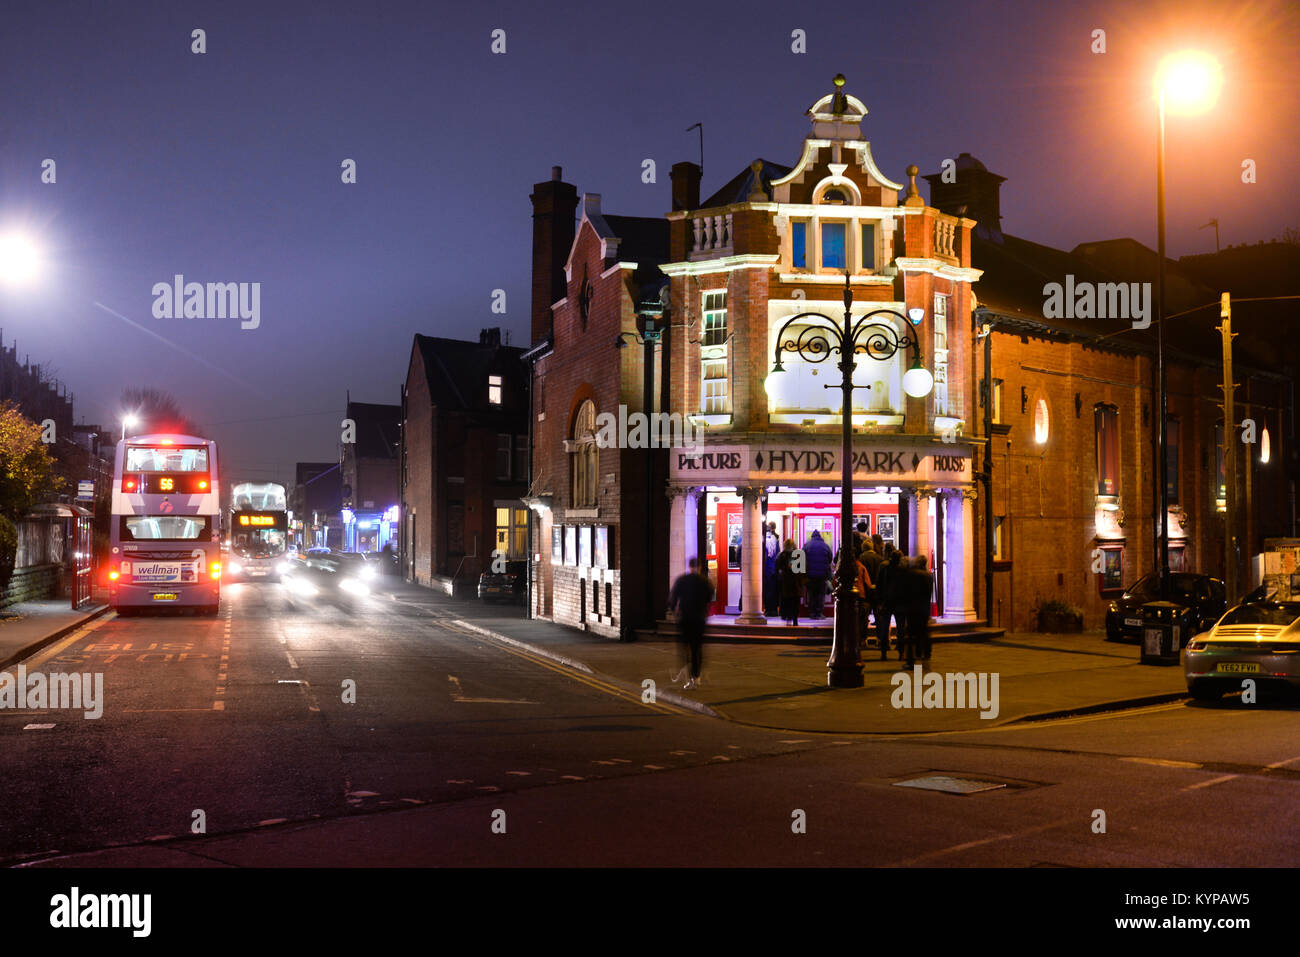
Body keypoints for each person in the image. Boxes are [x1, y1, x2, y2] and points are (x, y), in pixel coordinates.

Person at [668, 558, 714, 690]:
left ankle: (688, 679)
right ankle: (696, 677)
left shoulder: (682, 580)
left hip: (685, 618)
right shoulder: (705, 582)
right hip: (699, 619)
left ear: (689, 566)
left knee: (684, 649)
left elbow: (673, 598)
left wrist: (674, 611)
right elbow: (710, 597)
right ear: (699, 567)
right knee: (697, 648)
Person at [876, 548, 906, 662]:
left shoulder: (885, 568)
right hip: (900, 602)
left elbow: (879, 584)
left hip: (887, 601)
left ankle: (884, 653)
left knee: (884, 627)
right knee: (900, 628)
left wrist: (879, 600)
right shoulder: (903, 570)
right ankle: (901, 653)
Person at [906, 555, 935, 664]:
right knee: (924, 630)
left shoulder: (913, 575)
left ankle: (916, 653)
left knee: (912, 632)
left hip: (913, 607)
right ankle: (927, 651)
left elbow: (909, 591)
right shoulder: (928, 576)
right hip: (924, 607)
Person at [803, 529, 833, 618]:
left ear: (812, 537)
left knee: (812, 594)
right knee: (820, 594)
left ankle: (812, 613)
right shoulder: (825, 546)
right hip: (822, 575)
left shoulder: (806, 546)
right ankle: (819, 613)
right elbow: (830, 558)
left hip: (810, 575)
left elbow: (800, 558)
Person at [775, 538, 804, 626]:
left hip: (785, 582)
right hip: (796, 582)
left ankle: (787, 616)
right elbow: (803, 569)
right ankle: (795, 619)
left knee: (786, 600)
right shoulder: (798, 554)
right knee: (795, 601)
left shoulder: (781, 555)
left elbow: (777, 568)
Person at [762, 522, 781, 618]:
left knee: (766, 590)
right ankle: (774, 609)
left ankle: (768, 609)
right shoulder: (775, 540)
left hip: (766, 569)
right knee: (774, 590)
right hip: (774, 569)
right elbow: (778, 555)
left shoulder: (764, 540)